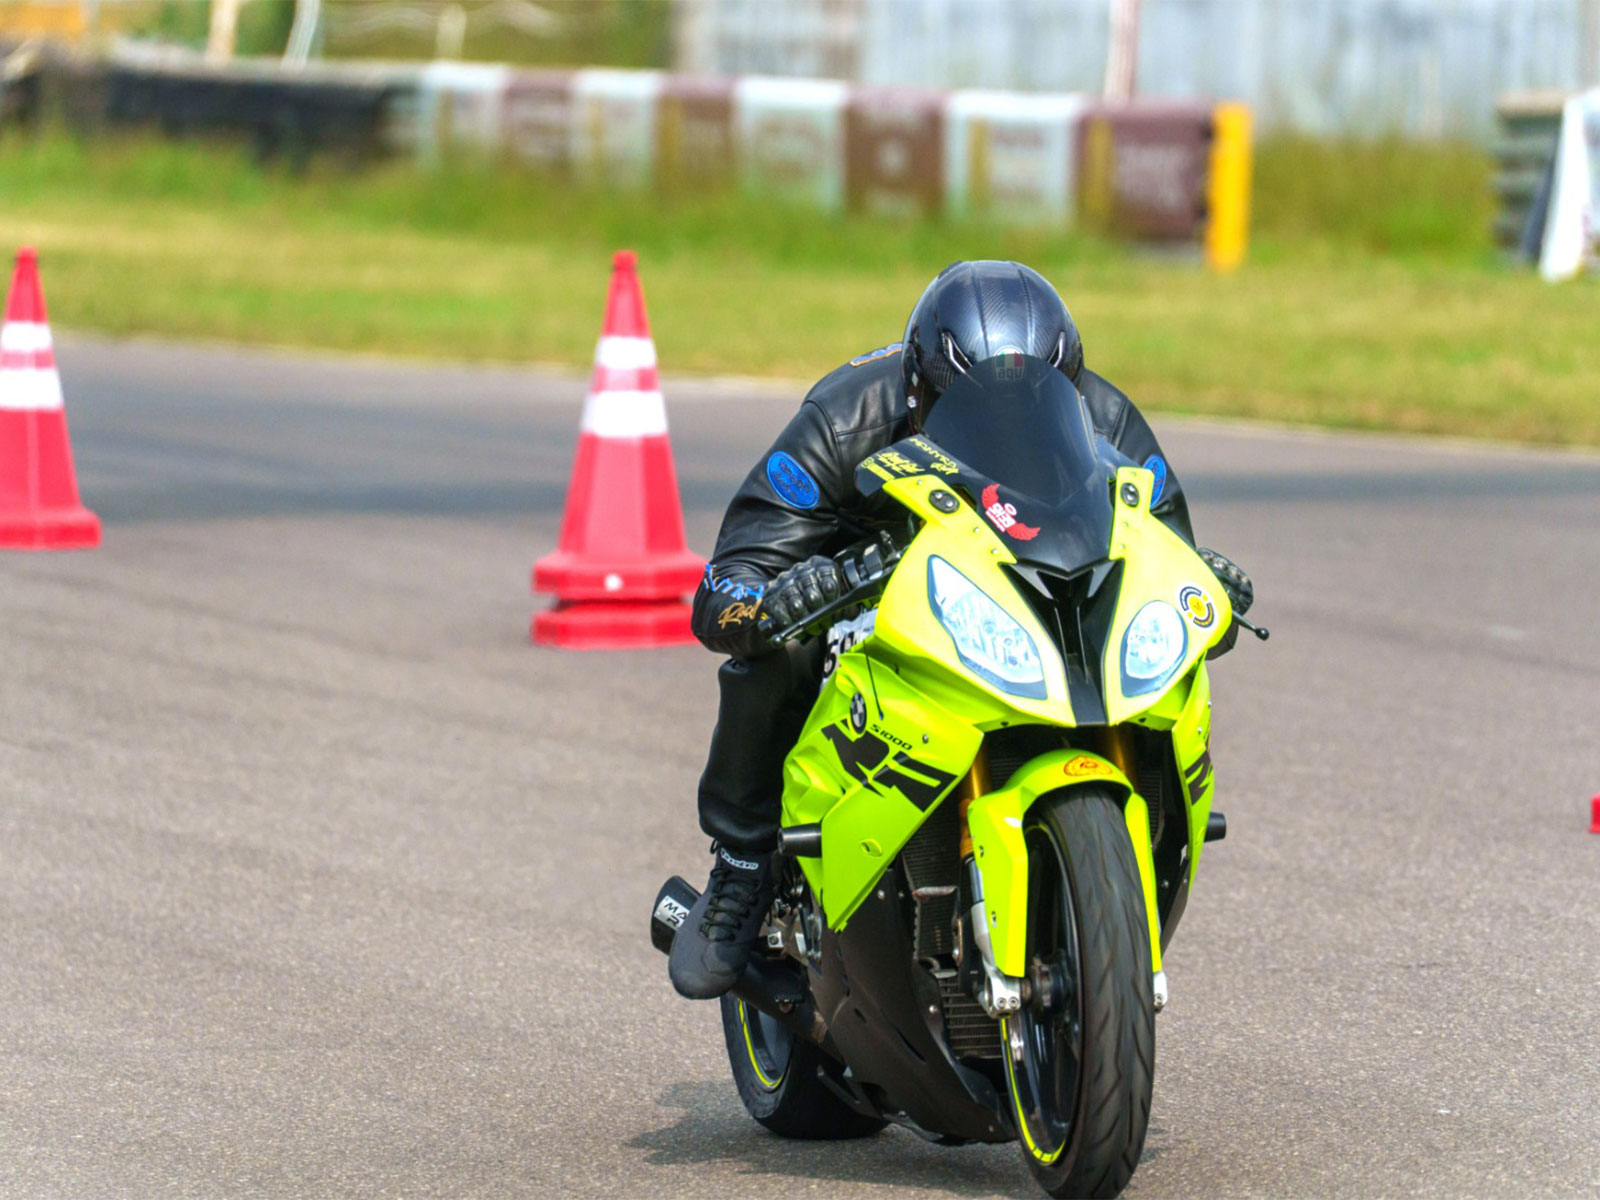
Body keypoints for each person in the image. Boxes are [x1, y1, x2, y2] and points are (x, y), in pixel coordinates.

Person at [668, 260, 1253, 999]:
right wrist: (775, 599)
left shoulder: (1108, 421)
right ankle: (744, 864)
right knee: (780, 649)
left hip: (1023, 590)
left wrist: (1205, 586)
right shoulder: (840, 420)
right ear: (919, 391)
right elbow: (727, 584)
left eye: (1038, 404)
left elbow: (1166, 548)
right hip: (869, 589)